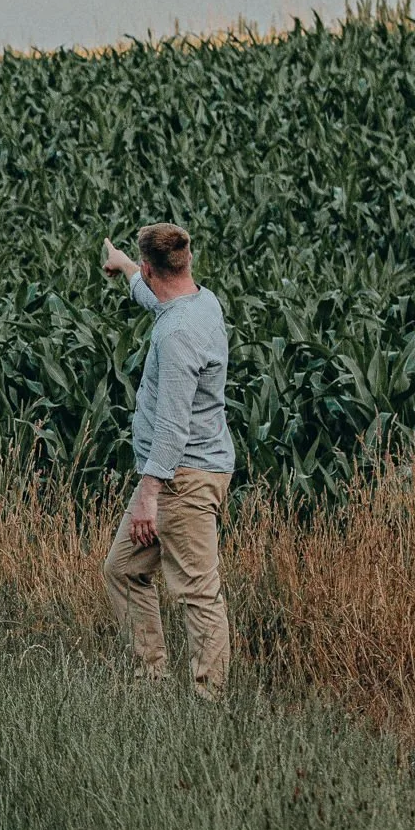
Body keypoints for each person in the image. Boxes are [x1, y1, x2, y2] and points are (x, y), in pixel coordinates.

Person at [99, 224, 235, 699]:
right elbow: (160, 297)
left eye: (144, 269)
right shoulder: (202, 302)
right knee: (123, 568)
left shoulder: (176, 336)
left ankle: (209, 700)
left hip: (182, 479)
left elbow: (173, 428)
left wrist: (147, 499)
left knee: (198, 592)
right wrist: (125, 267)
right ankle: (149, 680)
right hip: (191, 470)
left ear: (156, 268)